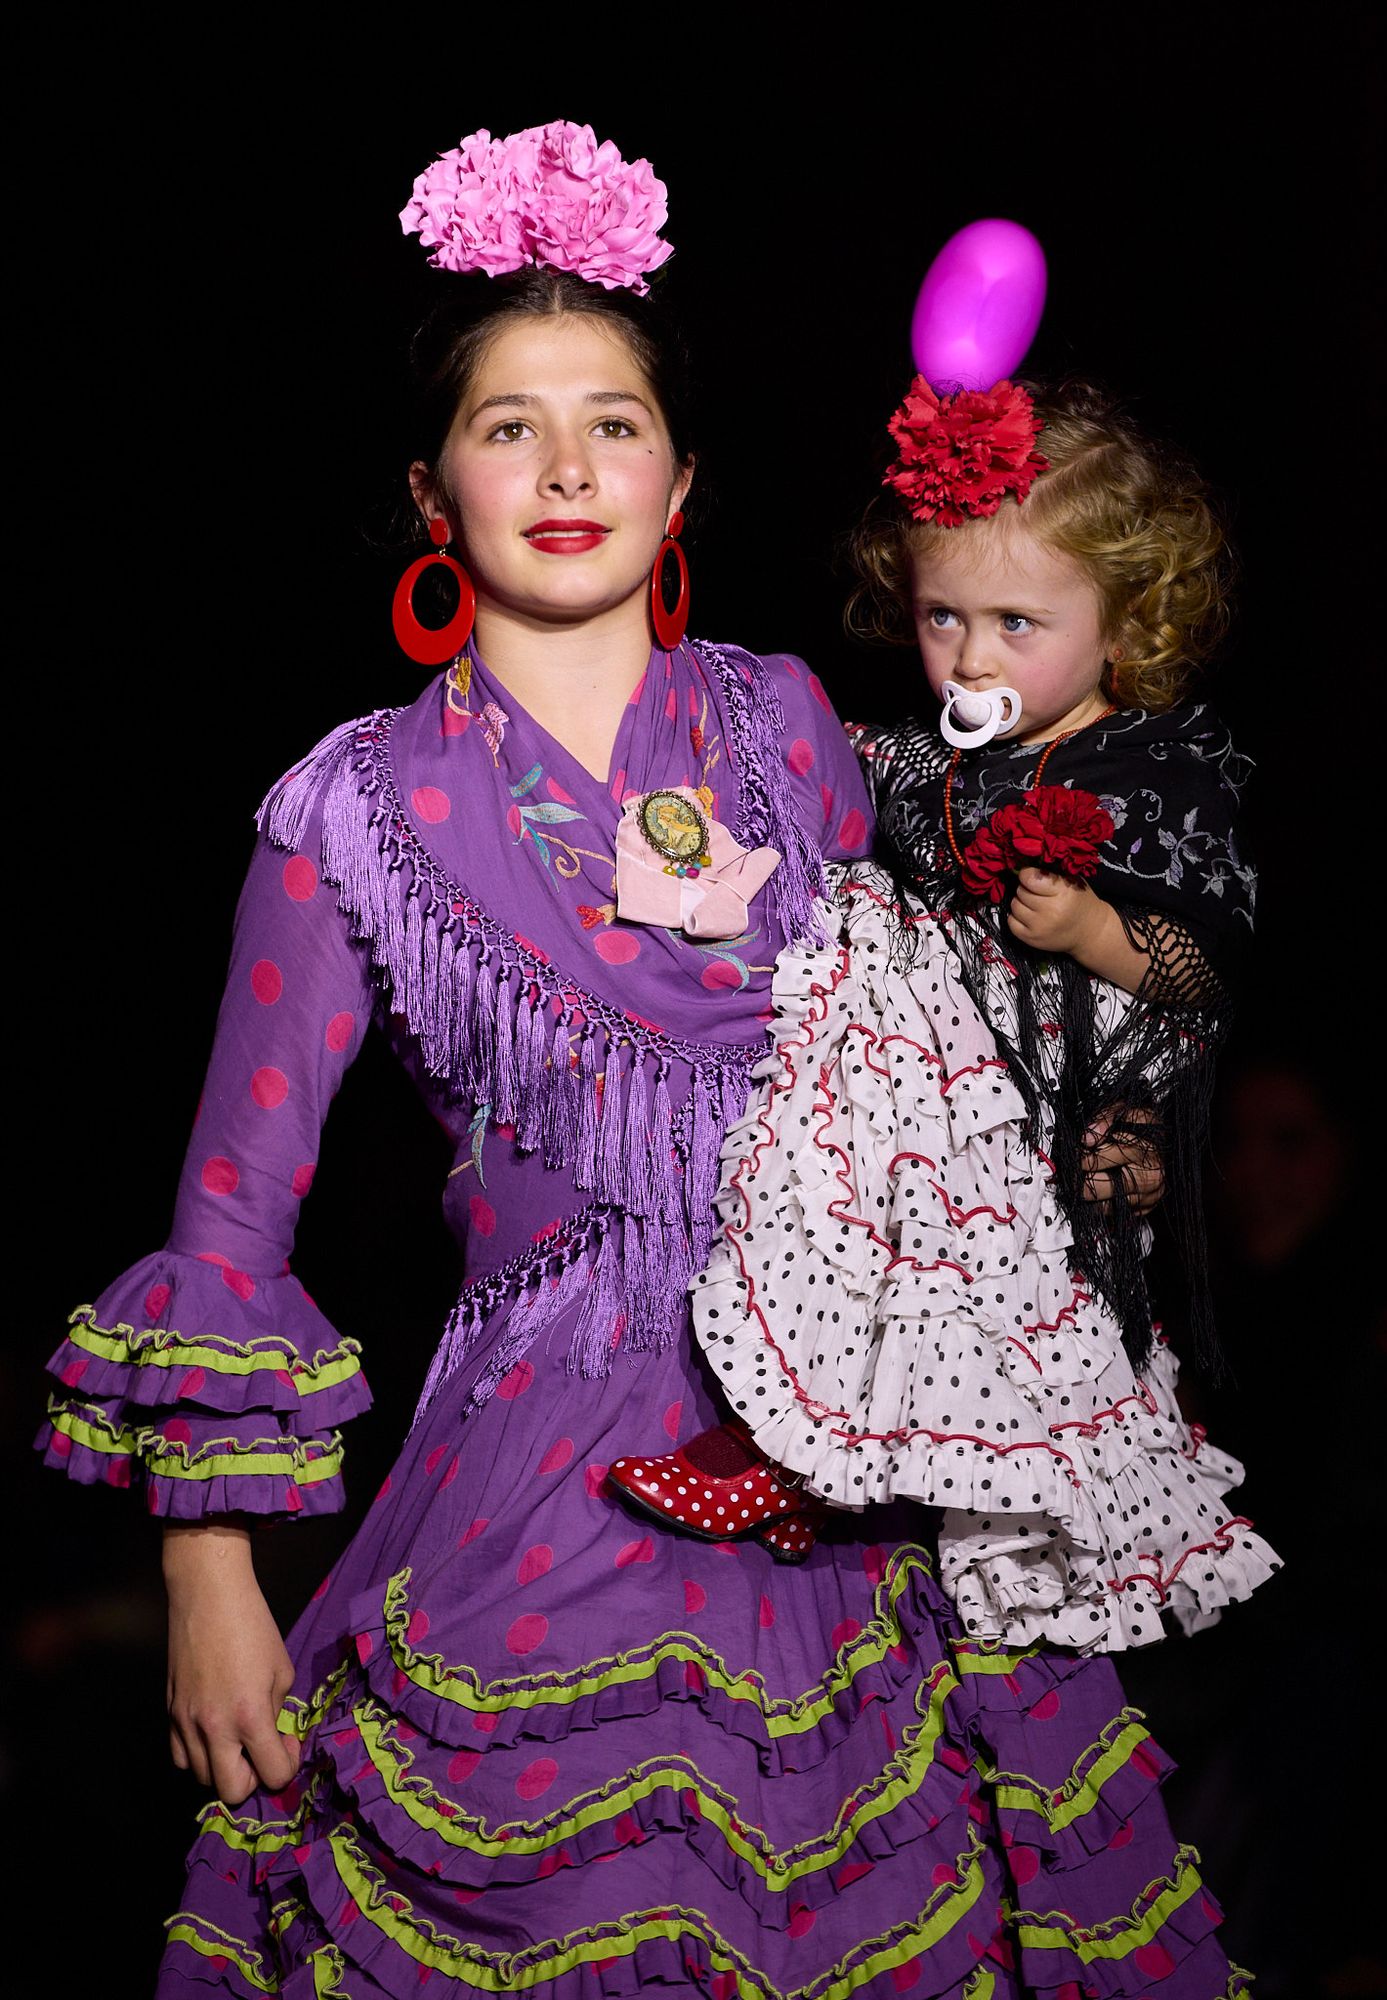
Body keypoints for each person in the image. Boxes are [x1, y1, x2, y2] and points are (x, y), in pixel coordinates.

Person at [37, 124, 1251, 1997]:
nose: (565, 466)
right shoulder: (350, 808)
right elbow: (228, 1205)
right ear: (433, 490)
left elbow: (968, 1003)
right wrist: (209, 1573)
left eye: (611, 420)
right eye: (508, 424)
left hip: (859, 1456)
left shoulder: (788, 725)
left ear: (683, 481)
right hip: (545, 1477)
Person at [612, 373, 1281, 1656]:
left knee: (1017, 1341)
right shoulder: (930, 760)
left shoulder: (1155, 777)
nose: (971, 658)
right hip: (925, 1104)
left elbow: (1207, 975)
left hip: (1062, 1116)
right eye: (941, 617)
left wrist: (1095, 930)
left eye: (1016, 621)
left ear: (1125, 627)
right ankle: (802, 1445)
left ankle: (951, 1504)